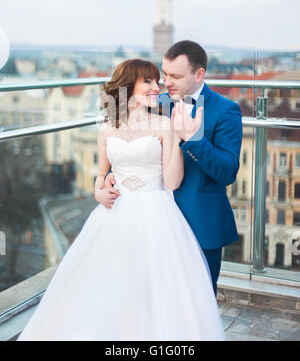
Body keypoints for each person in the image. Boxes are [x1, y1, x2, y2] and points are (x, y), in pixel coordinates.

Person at [18, 58, 225, 341]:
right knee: (113, 285)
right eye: (149, 81)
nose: (158, 87)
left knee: (153, 288)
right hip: (115, 213)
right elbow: (101, 176)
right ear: (128, 87)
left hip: (157, 212)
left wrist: (178, 138)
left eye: (157, 80)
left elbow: (173, 182)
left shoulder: (164, 124)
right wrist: (98, 190)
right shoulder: (107, 127)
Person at [100, 41, 243, 296]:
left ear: (199, 74)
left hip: (199, 223)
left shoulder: (226, 110)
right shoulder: (154, 103)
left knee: (197, 303)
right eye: (164, 74)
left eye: (175, 76)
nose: (165, 82)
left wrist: (194, 140)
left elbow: (227, 172)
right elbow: (130, 148)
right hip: (148, 222)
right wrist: (108, 179)